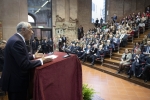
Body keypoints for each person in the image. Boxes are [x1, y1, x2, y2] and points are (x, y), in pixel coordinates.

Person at [1, 22, 52, 100]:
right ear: (23, 29)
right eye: (30, 29)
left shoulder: (16, 39)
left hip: (15, 80)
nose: (32, 32)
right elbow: (24, 64)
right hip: (16, 82)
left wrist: (34, 56)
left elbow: (20, 56)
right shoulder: (17, 42)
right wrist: (41, 61)